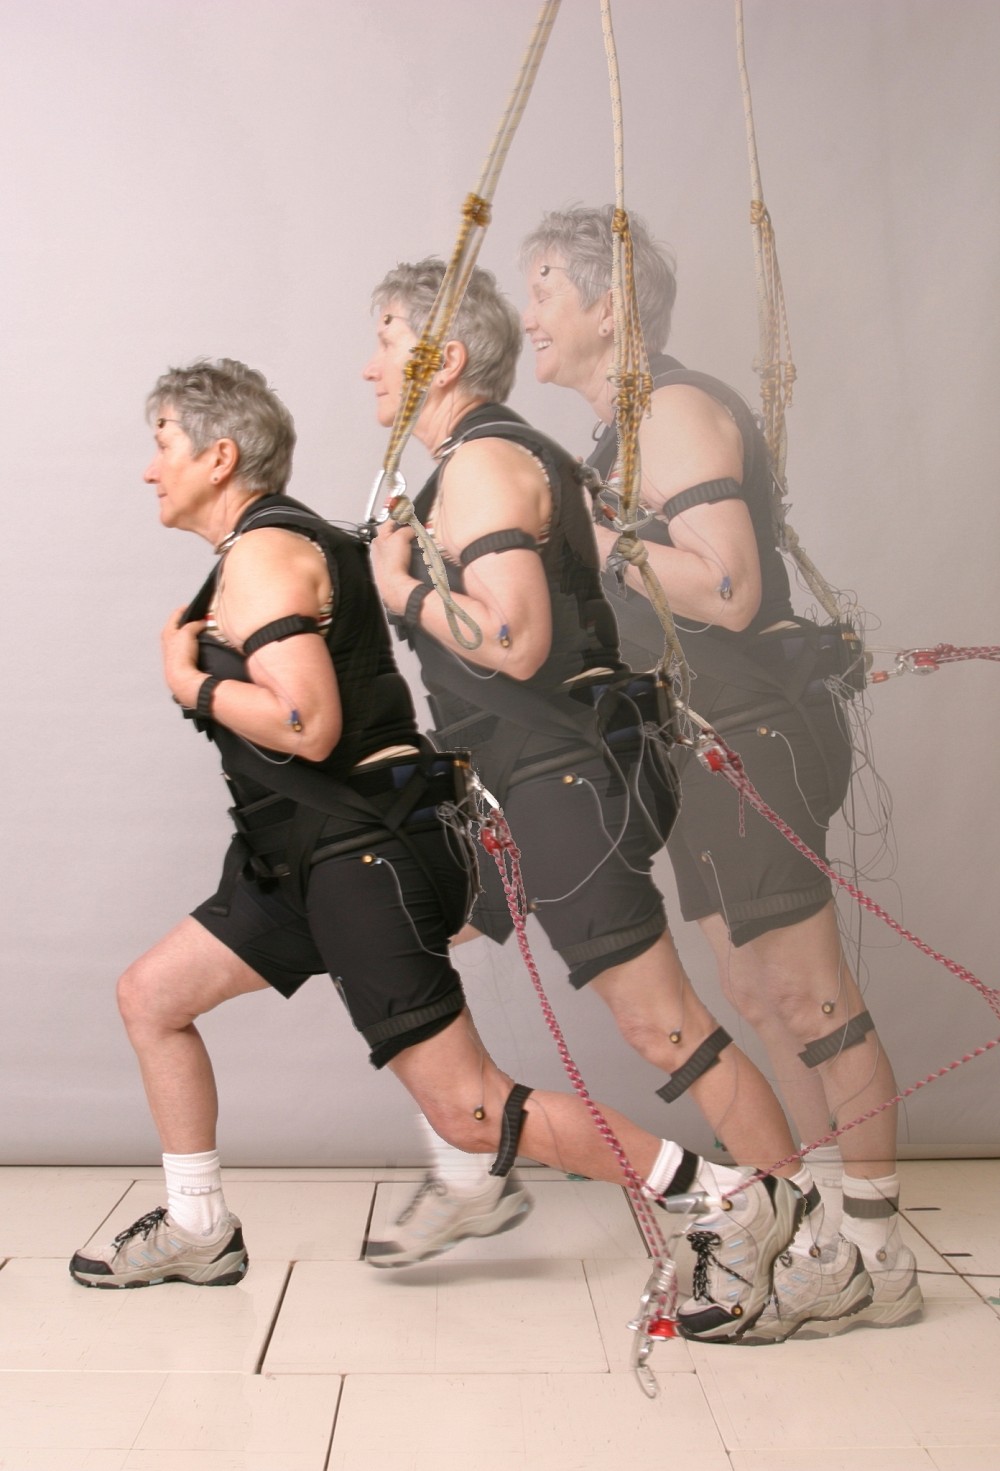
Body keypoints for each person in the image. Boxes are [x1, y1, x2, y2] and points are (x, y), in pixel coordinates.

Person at [68, 358, 801, 1346]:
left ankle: (732, 1197)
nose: (148, 469)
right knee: (152, 996)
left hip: (354, 855)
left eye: (161, 443)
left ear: (220, 455)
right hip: (297, 856)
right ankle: (200, 1228)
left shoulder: (265, 557)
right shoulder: (294, 540)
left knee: (471, 1110)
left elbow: (307, 721)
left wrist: (188, 680)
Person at [365, 264, 873, 1342]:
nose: (369, 366)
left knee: (669, 1027)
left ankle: (804, 1241)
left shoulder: (484, 463)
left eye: (387, 340)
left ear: (443, 360)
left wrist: (398, 589)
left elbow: (515, 640)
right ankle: (471, 1157)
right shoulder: (488, 462)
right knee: (391, 924)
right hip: (524, 784)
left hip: (561, 785)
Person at [515, 205, 921, 1335]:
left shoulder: (674, 410)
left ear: (610, 307)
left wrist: (588, 536)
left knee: (810, 997)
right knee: (756, 995)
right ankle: (824, 1238)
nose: (527, 313)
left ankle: (879, 1258)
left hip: (745, 736)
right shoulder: (617, 436)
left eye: (544, 287)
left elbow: (730, 588)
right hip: (691, 745)